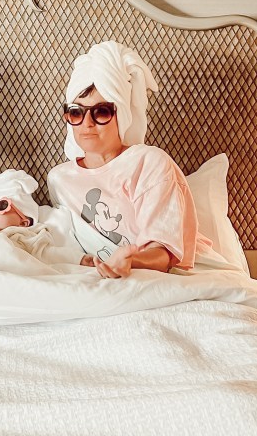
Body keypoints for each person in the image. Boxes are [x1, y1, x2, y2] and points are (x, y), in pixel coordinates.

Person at [46, 40, 212, 280]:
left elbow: (163, 253)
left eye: (101, 111)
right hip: (94, 283)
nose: (87, 123)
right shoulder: (59, 179)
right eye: (76, 112)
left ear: (121, 114)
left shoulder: (149, 163)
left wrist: (129, 262)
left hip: (160, 277)